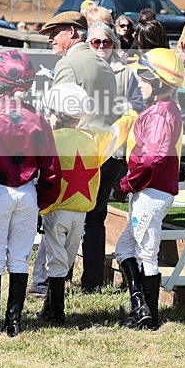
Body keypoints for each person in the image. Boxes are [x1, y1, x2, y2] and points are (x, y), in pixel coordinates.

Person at [0, 50, 61, 337]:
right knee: (19, 257)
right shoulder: (38, 119)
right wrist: (42, 199)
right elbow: (52, 167)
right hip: (27, 192)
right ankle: (14, 322)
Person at [35, 82, 132, 325]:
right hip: (81, 212)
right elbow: (115, 135)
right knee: (66, 257)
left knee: (55, 259)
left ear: (56, 113)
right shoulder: (92, 139)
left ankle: (55, 310)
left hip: (55, 209)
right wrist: (130, 116)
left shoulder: (49, 140)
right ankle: (52, 306)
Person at [39, 11, 120, 294]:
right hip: (103, 150)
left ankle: (52, 283)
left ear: (73, 32)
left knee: (59, 217)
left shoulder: (69, 65)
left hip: (75, 149)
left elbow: (57, 110)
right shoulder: (103, 64)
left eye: (55, 31)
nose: (50, 38)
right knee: (95, 220)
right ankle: (92, 282)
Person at [115, 47, 184, 330]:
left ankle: (148, 315)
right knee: (125, 248)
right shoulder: (161, 110)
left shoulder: (160, 113)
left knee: (145, 252)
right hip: (149, 190)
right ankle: (141, 307)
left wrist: (127, 182)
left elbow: (154, 157)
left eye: (143, 79)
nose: (139, 84)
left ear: (157, 82)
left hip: (150, 190)